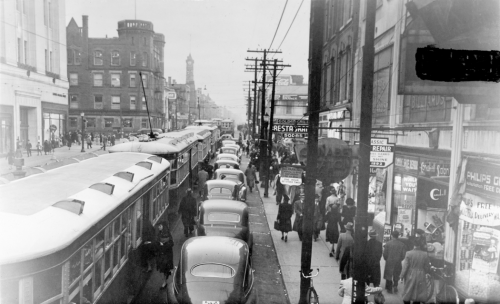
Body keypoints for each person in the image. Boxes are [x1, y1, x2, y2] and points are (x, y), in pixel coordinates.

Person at [400, 238, 431, 304]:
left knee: (408, 291)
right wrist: (426, 272)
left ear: (413, 245)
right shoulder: (425, 254)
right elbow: (427, 266)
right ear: (420, 245)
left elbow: (405, 267)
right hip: (421, 274)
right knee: (418, 294)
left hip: (410, 274)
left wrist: (401, 277)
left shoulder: (408, 253)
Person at [156, 221, 174, 289]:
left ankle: (164, 282)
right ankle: (165, 281)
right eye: (158, 226)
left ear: (163, 226)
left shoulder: (167, 234)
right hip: (161, 254)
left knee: (164, 268)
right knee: (163, 268)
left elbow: (172, 243)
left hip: (167, 254)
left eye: (160, 226)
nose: (158, 227)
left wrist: (163, 245)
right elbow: (157, 241)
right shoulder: (159, 233)